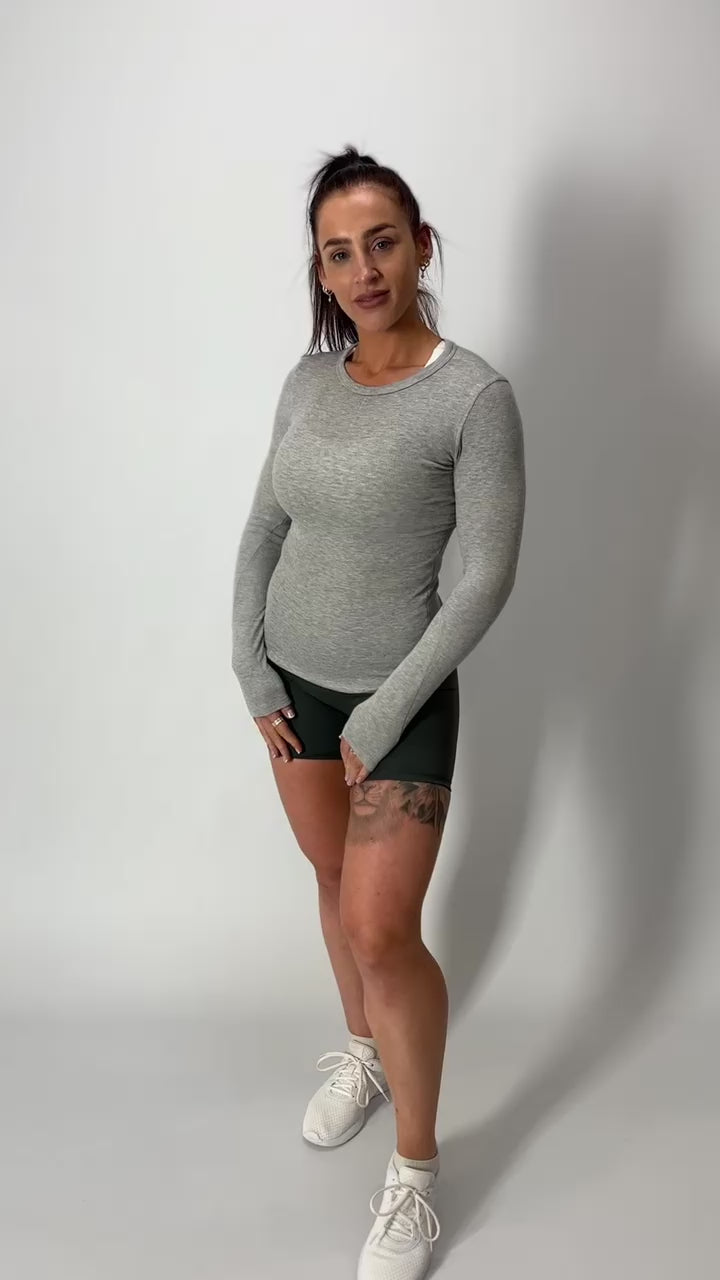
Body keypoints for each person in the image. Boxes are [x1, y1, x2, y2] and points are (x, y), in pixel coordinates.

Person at [231, 144, 526, 1280]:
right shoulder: (307, 384)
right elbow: (264, 527)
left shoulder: (472, 396)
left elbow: (484, 579)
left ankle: (415, 1169)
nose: (363, 270)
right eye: (338, 252)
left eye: (383, 243)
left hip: (398, 700)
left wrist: (382, 712)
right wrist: (253, 668)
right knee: (330, 882)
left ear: (422, 246)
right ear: (320, 269)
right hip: (293, 689)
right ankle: (362, 1050)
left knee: (383, 930)